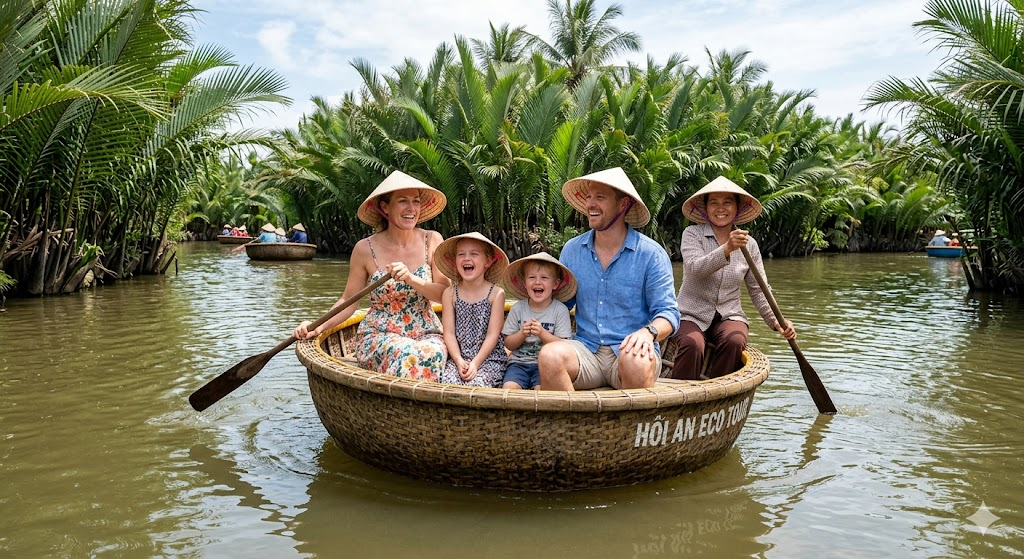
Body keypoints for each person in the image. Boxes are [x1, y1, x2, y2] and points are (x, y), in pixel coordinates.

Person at [293, 170, 449, 380]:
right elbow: (349, 300)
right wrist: (317, 326)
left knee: (432, 353)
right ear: (385, 207)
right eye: (402, 201)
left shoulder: (432, 240)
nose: (411, 209)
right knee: (405, 353)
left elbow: (444, 294)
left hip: (426, 331)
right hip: (380, 334)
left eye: (416, 201)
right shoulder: (365, 248)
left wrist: (412, 279)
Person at [538, 167, 680, 391]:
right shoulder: (572, 250)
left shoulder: (651, 254)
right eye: (589, 197)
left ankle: (627, 426)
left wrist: (648, 332)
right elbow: (558, 305)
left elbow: (669, 314)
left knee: (636, 360)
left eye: (600, 197)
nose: (590, 204)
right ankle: (574, 424)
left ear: (623, 205)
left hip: (630, 349)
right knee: (550, 356)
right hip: (586, 349)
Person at [670, 176, 796, 380]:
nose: (721, 208)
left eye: (727, 202)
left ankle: (718, 391)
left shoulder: (750, 245)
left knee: (735, 341)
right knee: (692, 344)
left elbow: (759, 289)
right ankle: (680, 396)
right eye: (714, 203)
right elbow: (695, 268)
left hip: (729, 314)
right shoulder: (692, 234)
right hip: (690, 313)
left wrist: (776, 321)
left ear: (737, 207)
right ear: (705, 208)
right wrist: (727, 248)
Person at [434, 232, 509, 387]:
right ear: (455, 262)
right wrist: (458, 360)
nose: (467, 258)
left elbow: (492, 335)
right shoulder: (449, 293)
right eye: (461, 254)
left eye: (474, 254)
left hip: (489, 359)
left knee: (477, 385)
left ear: (487, 261)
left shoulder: (496, 294)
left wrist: (475, 363)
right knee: (448, 384)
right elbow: (449, 333)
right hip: (458, 358)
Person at [500, 252, 575, 390]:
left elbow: (564, 346)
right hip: (518, 363)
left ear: (555, 284)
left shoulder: (560, 310)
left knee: (540, 391)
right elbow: (508, 344)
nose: (537, 282)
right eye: (532, 277)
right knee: (509, 388)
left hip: (545, 366)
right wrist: (522, 334)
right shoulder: (518, 309)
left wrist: (542, 333)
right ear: (524, 283)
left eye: (544, 278)